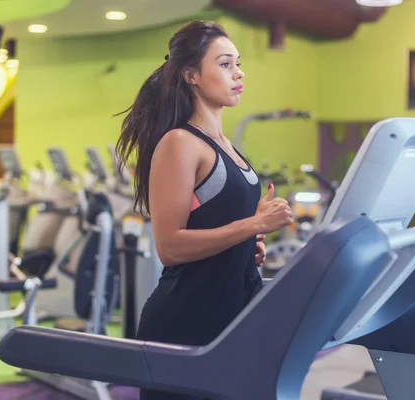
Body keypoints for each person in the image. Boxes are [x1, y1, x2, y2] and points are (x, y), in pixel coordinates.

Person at [115, 20, 293, 400]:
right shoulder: (180, 142)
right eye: (225, 64)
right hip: (187, 322)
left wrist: (249, 244)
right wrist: (253, 223)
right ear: (192, 74)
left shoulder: (227, 146)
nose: (239, 72)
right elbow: (170, 247)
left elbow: (218, 224)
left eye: (238, 63)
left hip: (235, 319)